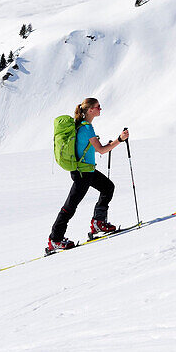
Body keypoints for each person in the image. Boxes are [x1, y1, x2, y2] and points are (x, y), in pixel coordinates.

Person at [46, 98, 129, 252]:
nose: (100, 109)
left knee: (108, 187)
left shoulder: (80, 126)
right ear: (90, 110)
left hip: (86, 171)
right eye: (98, 107)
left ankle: (98, 223)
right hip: (83, 173)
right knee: (70, 206)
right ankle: (55, 239)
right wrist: (120, 139)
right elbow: (102, 150)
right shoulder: (86, 128)